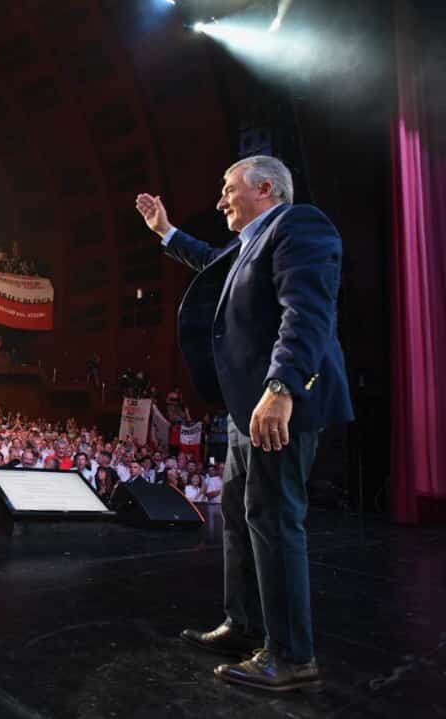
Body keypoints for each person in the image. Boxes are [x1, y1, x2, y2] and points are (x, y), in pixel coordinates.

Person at [137, 155, 353, 691]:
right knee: (238, 514)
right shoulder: (246, 245)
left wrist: (281, 387)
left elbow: (306, 310)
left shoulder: (298, 224)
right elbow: (214, 262)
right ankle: (245, 625)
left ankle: (291, 654)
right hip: (245, 407)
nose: (220, 200)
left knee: (275, 519)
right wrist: (166, 233)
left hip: (281, 400)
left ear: (264, 187)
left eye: (227, 188)